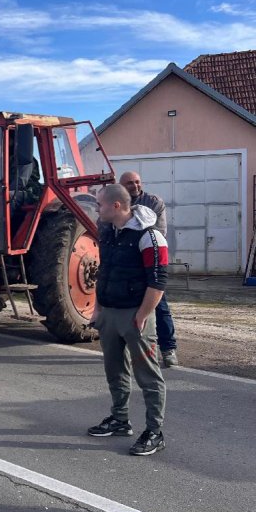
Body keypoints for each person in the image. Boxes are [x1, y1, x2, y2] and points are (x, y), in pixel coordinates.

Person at [87, 184, 167, 456]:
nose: (97, 209)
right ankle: (119, 420)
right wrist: (98, 309)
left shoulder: (150, 236)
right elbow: (104, 272)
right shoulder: (108, 232)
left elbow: (157, 283)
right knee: (114, 370)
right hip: (109, 312)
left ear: (116, 206)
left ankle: (155, 432)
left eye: (100, 205)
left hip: (135, 314)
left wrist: (142, 316)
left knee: (148, 376)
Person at [119, 171, 177, 367]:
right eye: (129, 183)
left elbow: (156, 232)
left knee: (160, 306)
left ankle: (168, 350)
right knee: (125, 308)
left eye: (136, 182)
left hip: (148, 261)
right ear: (121, 186)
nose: (134, 186)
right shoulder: (117, 203)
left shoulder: (153, 202)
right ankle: (127, 349)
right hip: (126, 265)